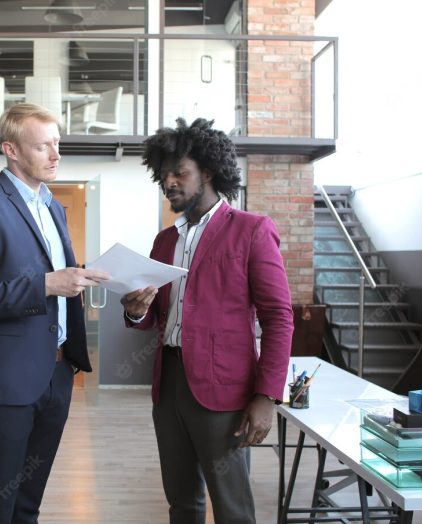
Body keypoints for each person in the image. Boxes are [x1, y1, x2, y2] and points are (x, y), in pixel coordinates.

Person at [121, 117, 293, 524]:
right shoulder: (165, 240)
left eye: (179, 172)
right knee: (182, 504)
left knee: (233, 510)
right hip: (169, 387)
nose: (169, 182)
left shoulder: (252, 231)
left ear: (208, 172)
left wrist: (266, 397)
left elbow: (278, 318)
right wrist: (136, 310)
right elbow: (154, 315)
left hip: (226, 394)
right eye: (164, 174)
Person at [0, 103, 109, 524]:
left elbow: (56, 283)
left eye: (57, 144)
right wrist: (45, 285)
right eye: (43, 146)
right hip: (7, 380)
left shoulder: (52, 207)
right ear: (12, 150)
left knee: (27, 503)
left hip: (56, 376)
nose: (56, 155)